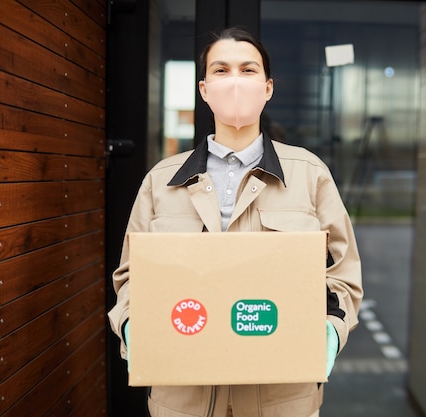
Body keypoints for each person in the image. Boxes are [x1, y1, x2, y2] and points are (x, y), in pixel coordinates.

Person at [108, 27, 363, 417]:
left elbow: (342, 275)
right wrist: (132, 325)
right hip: (183, 398)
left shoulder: (310, 174)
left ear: (268, 87)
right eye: (222, 70)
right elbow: (130, 278)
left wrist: (330, 328)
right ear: (205, 89)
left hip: (281, 397)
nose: (235, 82)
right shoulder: (161, 180)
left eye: (248, 70)